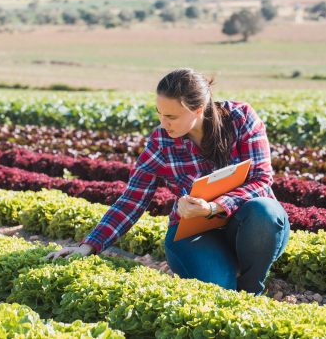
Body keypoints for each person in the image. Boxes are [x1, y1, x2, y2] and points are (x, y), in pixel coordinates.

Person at [46, 68, 290, 296]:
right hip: (194, 233)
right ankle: (223, 270)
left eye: (172, 116)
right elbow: (132, 200)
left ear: (198, 109)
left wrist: (214, 206)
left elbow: (261, 179)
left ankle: (251, 290)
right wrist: (89, 245)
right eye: (160, 114)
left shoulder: (241, 119)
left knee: (264, 210)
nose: (164, 123)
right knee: (220, 289)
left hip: (250, 225)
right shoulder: (161, 142)